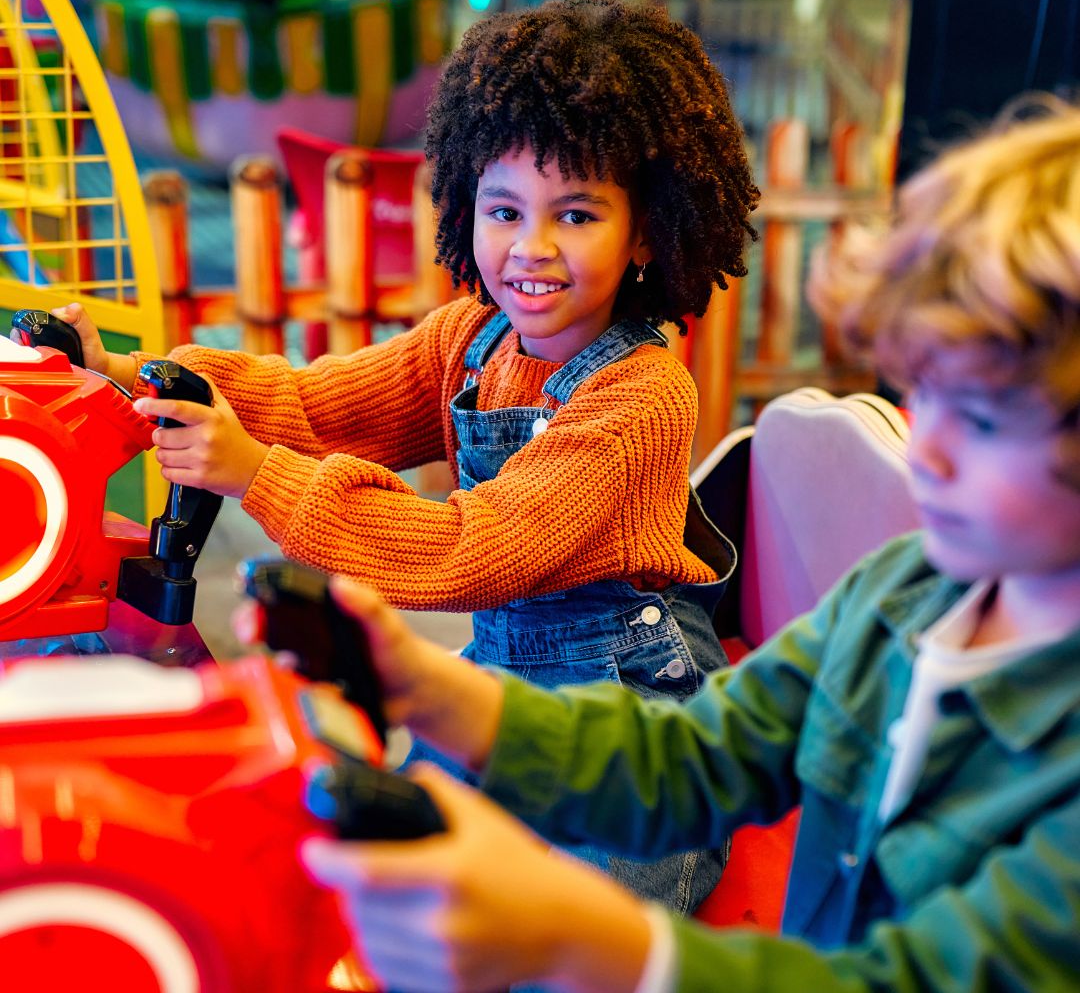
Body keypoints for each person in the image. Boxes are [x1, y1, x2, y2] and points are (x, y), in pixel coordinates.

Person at [299, 101, 1080, 992]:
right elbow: (702, 754)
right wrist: (426, 684)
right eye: (924, 395)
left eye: (980, 419)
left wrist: (581, 940)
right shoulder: (907, 592)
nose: (926, 450)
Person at [58, 0, 759, 912]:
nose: (531, 249)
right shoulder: (471, 338)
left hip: (629, 705)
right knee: (388, 881)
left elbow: (467, 550)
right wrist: (139, 375)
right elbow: (317, 407)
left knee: (571, 934)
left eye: (577, 215)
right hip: (507, 676)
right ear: (468, 199)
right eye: (504, 209)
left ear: (646, 233)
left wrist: (254, 474)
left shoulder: (640, 395)